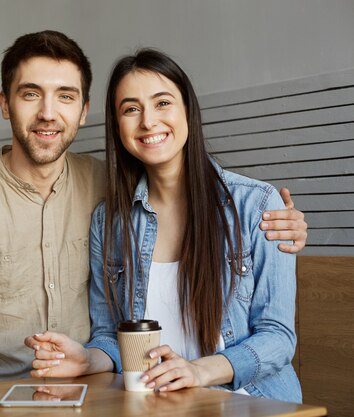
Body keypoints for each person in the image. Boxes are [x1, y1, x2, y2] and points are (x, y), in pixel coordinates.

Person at [0, 32, 307, 387]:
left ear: (83, 111)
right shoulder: (106, 212)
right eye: (30, 94)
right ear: (5, 104)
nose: (47, 112)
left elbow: (276, 333)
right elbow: (110, 336)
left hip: (158, 396)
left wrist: (288, 225)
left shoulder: (116, 193)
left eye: (65, 96)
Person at [25, 49, 302, 402]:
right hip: (159, 406)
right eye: (130, 109)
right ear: (118, 125)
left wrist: (198, 370)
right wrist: (86, 359)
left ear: (188, 109)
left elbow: (278, 337)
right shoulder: (109, 222)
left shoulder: (257, 205)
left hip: (252, 402)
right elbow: (111, 335)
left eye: (162, 103)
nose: (148, 122)